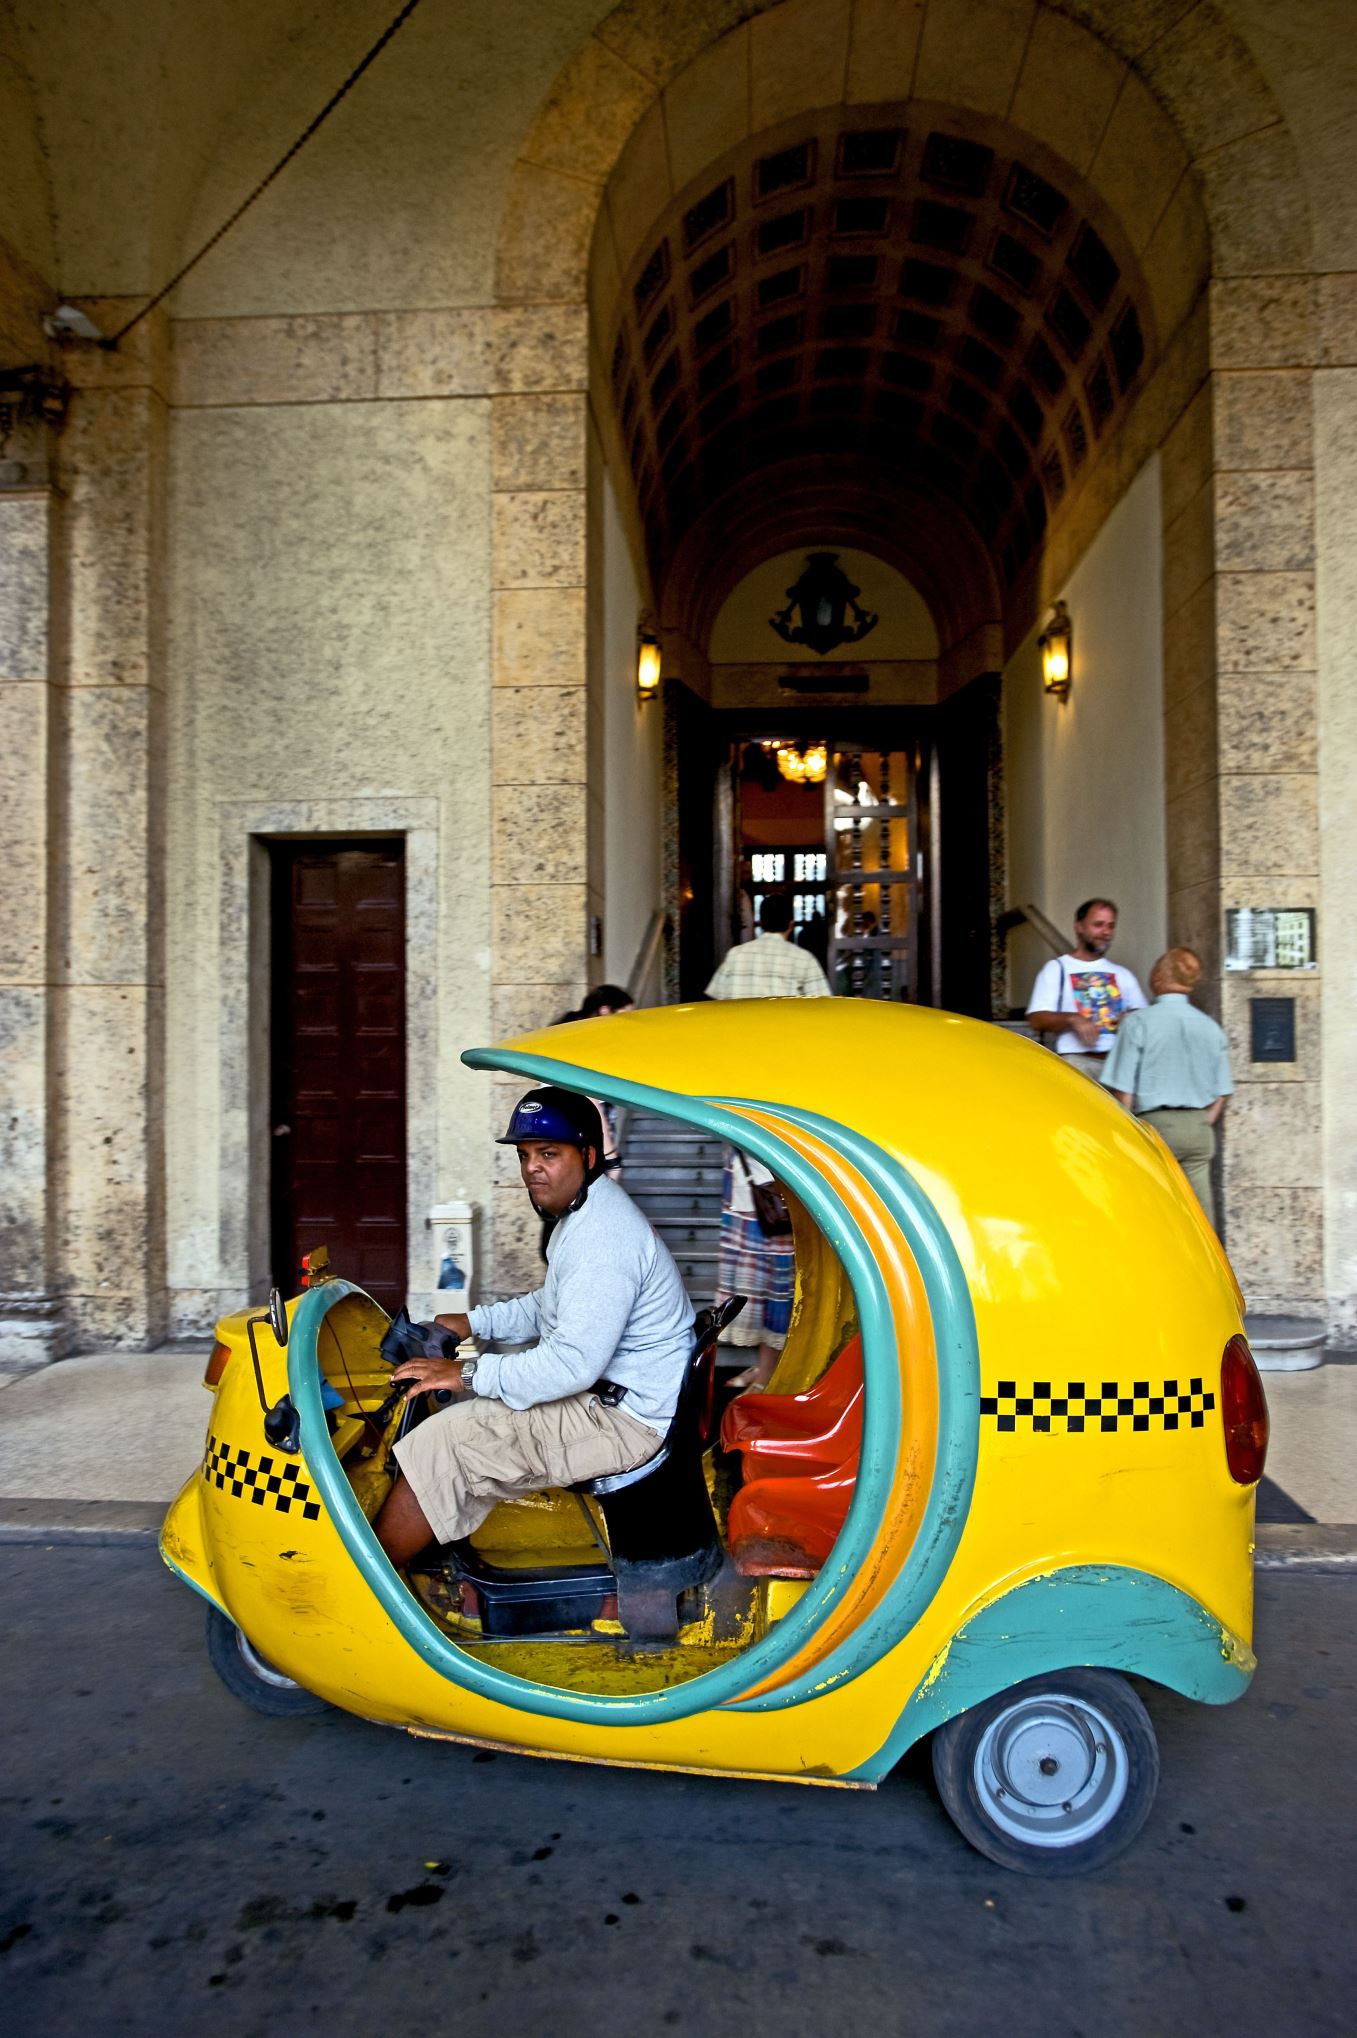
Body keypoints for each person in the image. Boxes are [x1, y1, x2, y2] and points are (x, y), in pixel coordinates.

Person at [373, 1087, 694, 1566]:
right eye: (524, 1156)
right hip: (619, 1397)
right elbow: (554, 1305)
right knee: (473, 1405)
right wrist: (471, 1322)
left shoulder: (602, 1239)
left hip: (625, 1421)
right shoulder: (585, 1214)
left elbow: (570, 1365)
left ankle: (373, 1588)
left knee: (443, 1443)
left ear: (587, 1155)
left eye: (549, 1154)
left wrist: (463, 1374)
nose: (531, 1169)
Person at [705, 891, 831, 1390]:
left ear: (758, 920)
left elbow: (714, 1017)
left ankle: (769, 1370)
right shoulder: (802, 961)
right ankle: (772, 1370)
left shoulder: (736, 959)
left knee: (757, 1250)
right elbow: (824, 1022)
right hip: (785, 1104)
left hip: (740, 1105)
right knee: (784, 1261)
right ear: (792, 922)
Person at [1102, 947, 1233, 1229]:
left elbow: (1123, 1090)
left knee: (1153, 1206)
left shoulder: (1138, 1023)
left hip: (1156, 1127)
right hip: (1199, 1128)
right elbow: (1223, 1091)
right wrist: (1201, 1121)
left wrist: (1128, 1135)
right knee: (1200, 1215)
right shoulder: (1210, 1027)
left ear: (1158, 976)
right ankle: (1205, 1270)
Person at [1025, 898, 1147, 1077]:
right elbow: (1036, 1019)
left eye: (1111, 926)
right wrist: (1073, 1019)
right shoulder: (1057, 969)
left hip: (1119, 1065)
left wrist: (1131, 1017)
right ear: (1079, 927)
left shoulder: (1123, 974)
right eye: (1098, 924)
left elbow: (1144, 1016)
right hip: (1076, 1064)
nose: (1106, 931)